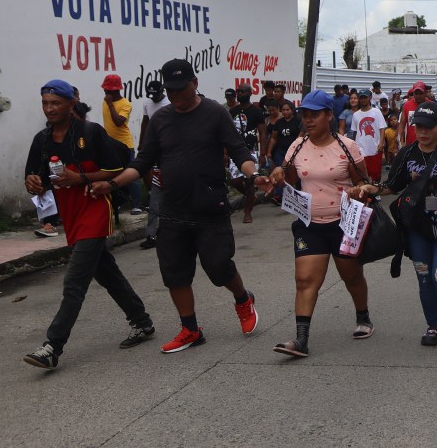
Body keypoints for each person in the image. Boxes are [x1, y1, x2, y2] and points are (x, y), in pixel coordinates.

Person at [89, 59, 269, 354]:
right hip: (173, 209)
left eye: (180, 89)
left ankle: (243, 299)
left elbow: (238, 149)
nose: (175, 96)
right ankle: (190, 329)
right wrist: (112, 184)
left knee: (219, 268)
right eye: (170, 90)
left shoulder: (215, 113)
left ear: (194, 83)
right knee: (174, 273)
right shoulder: (161, 119)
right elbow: (143, 162)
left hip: (210, 206)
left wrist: (254, 174)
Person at [22, 80, 155, 369]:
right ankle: (143, 322)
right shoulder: (41, 140)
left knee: (75, 281)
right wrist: (33, 183)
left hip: (95, 208)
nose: (49, 108)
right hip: (70, 215)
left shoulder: (90, 132)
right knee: (106, 272)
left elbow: (117, 168)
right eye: (45, 103)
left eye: (55, 103)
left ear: (72, 104)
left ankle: (52, 346)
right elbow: (36, 178)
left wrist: (80, 178)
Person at [353, 102, 437, 348]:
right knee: (424, 277)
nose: (422, 132)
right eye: (418, 126)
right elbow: (392, 186)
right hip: (416, 226)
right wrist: (371, 188)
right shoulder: (406, 154)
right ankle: (433, 325)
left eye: (428, 127)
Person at [266, 90, 372, 357]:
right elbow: (289, 180)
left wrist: (358, 190)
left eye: (315, 115)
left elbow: (364, 182)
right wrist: (279, 173)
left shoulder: (348, 147)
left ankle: (363, 316)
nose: (309, 120)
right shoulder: (296, 147)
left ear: (328, 115)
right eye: (306, 115)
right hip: (309, 223)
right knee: (304, 280)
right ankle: (301, 340)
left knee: (352, 277)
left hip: (343, 223)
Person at [100, 74, 143, 215]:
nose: (105, 93)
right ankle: (118, 203)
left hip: (125, 145)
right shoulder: (105, 102)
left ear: (116, 90)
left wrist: (111, 104)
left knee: (131, 175)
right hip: (110, 144)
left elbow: (118, 122)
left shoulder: (125, 104)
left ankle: (137, 204)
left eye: (108, 90)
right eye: (105, 90)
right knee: (112, 175)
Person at [139, 80, 171, 249]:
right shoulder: (147, 103)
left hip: (170, 155)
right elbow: (145, 122)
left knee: (170, 199)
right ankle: (151, 235)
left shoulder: (169, 104)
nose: (153, 98)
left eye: (156, 95)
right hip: (155, 153)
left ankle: (170, 232)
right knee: (155, 200)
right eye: (151, 95)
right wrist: (142, 142)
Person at [228, 83, 266, 224]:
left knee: (250, 182)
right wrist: (225, 152)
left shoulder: (256, 112)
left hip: (251, 151)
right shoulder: (232, 111)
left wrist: (263, 153)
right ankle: (251, 196)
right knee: (235, 181)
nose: (239, 93)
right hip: (235, 151)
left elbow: (262, 132)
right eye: (238, 91)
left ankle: (247, 212)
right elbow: (227, 133)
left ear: (250, 93)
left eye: (243, 91)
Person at [266, 101, 303, 203]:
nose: (285, 112)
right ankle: (279, 195)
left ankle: (300, 192)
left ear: (292, 110)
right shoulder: (279, 122)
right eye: (283, 110)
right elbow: (274, 138)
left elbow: (301, 136)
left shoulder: (298, 121)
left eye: (288, 110)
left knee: (296, 172)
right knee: (280, 171)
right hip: (280, 151)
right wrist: (269, 151)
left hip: (295, 152)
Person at [352, 89, 387, 182]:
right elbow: (355, 132)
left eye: (365, 98)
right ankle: (366, 192)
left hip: (374, 147)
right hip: (361, 148)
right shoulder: (355, 115)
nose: (363, 100)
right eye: (361, 98)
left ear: (370, 98)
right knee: (363, 172)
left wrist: (381, 142)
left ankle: (376, 190)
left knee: (376, 172)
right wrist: (354, 146)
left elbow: (382, 128)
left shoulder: (376, 112)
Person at [398, 81, 429, 147]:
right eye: (416, 93)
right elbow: (402, 124)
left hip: (428, 144)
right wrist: (400, 140)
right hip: (411, 145)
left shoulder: (431, 105)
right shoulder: (406, 105)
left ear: (425, 93)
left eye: (421, 93)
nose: (418, 96)